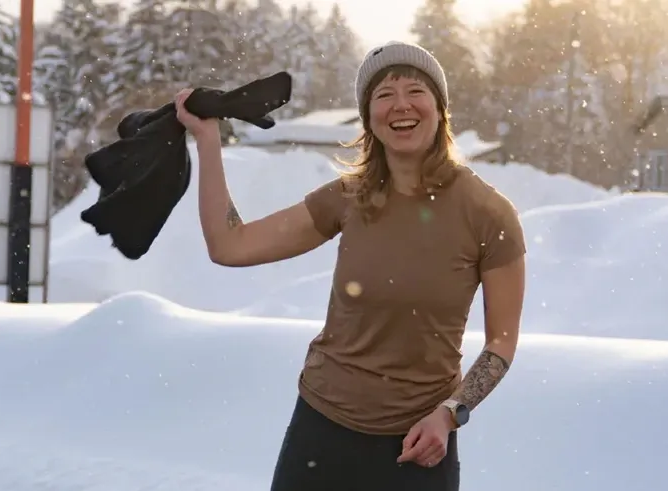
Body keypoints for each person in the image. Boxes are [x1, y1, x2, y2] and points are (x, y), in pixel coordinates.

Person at [174, 40, 526, 491]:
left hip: (418, 446)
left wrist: (450, 414)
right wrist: (207, 141)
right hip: (321, 434)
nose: (401, 104)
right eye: (384, 94)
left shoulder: (489, 214)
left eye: (415, 90)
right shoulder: (349, 198)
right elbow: (230, 245)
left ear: (440, 109)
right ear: (369, 118)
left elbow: (501, 344)